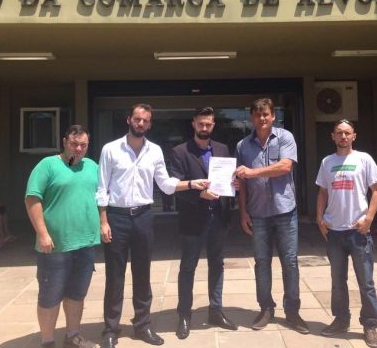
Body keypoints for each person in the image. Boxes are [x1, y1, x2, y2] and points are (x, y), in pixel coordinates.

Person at [96, 103, 208, 348]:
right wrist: (103, 221)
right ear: (129, 120)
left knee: (143, 273)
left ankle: (142, 325)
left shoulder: (155, 151)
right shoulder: (110, 149)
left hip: (144, 217)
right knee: (115, 275)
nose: (141, 123)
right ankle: (111, 329)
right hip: (116, 217)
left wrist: (191, 184)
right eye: (137, 119)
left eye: (145, 120)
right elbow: (102, 188)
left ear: (150, 124)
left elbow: (166, 185)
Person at [234, 98, 309, 334]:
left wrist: (252, 172)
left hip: (285, 211)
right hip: (257, 213)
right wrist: (243, 211)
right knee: (261, 263)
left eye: (266, 114)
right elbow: (241, 183)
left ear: (273, 116)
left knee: (290, 262)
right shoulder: (242, 146)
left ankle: (292, 311)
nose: (262, 118)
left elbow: (285, 167)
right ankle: (266, 308)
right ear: (252, 118)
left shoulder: (285, 137)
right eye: (257, 114)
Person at [25, 125, 100, 348]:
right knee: (50, 296)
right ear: (64, 142)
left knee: (77, 294)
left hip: (86, 243)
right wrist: (42, 233)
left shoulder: (92, 166)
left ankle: (73, 336)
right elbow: (32, 199)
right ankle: (48, 342)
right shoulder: (47, 165)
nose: (78, 149)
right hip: (55, 246)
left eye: (83, 145)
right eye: (74, 144)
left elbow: (102, 197)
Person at [170, 106, 237, 340]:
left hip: (218, 217)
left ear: (213, 125)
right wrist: (200, 194)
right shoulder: (180, 152)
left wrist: (234, 185)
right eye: (201, 124)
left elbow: (228, 180)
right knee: (188, 267)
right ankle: (184, 315)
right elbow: (175, 186)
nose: (204, 127)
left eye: (208, 124)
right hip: (193, 219)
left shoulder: (222, 149)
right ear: (194, 124)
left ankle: (215, 310)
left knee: (217, 265)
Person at [315, 119, 377, 348]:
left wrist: (369, 218)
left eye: (347, 133)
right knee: (337, 282)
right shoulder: (327, 162)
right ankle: (341, 320)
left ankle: (370, 325)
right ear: (332, 136)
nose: (343, 136)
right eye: (339, 133)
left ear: (354, 136)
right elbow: (322, 192)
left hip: (358, 231)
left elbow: (376, 191)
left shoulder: (364, 159)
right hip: (334, 231)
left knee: (366, 282)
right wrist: (319, 218)